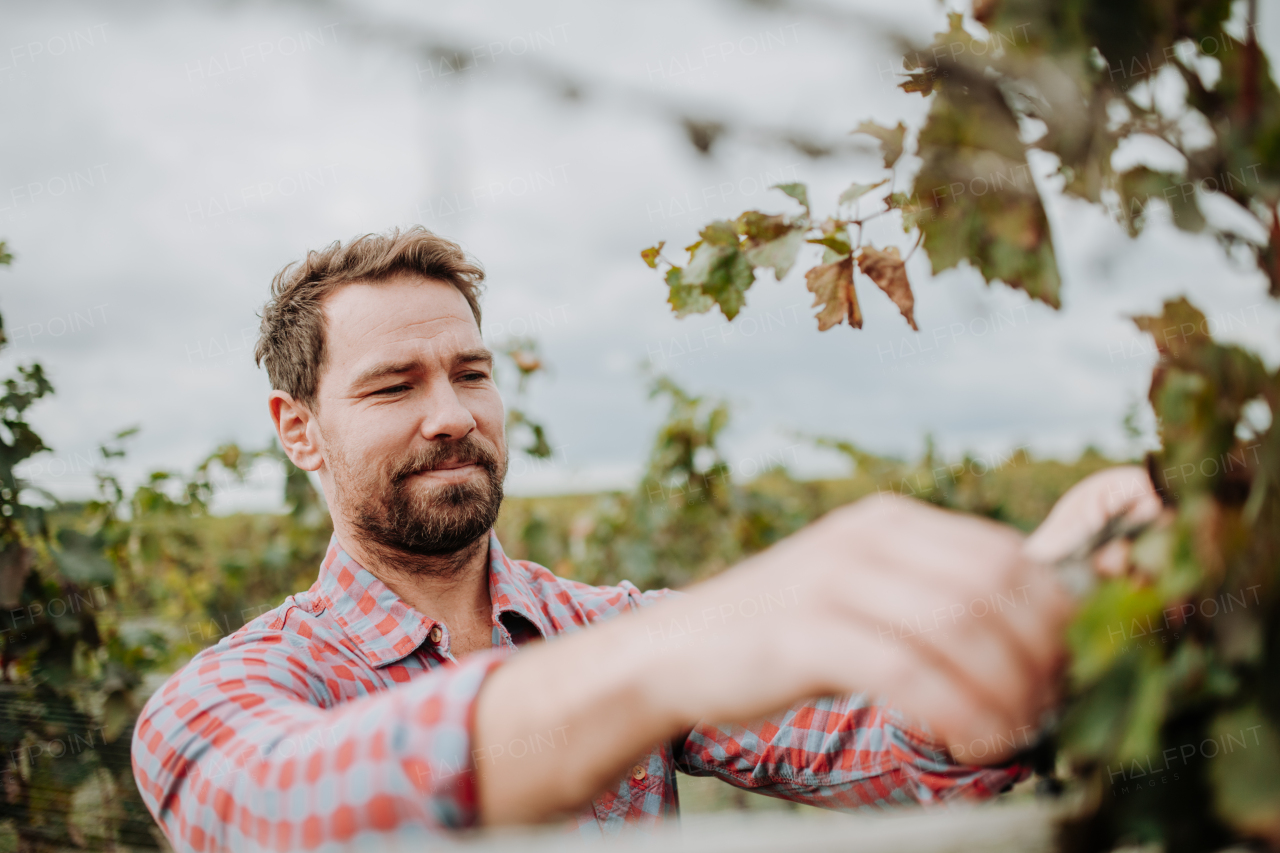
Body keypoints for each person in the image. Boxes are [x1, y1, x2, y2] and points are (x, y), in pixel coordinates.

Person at [131, 227, 1162, 851]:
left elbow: (895, 750)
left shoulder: (606, 624)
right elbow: (276, 818)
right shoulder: (221, 698)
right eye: (394, 385)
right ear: (298, 429)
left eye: (471, 372)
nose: (451, 414)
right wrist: (655, 666)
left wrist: (1052, 594)